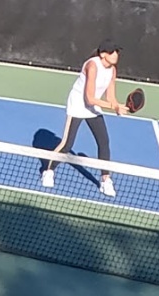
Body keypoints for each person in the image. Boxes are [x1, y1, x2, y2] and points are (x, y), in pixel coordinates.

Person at [42, 40, 125, 197]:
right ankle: (49, 170)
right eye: (112, 51)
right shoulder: (92, 66)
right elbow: (89, 98)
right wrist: (112, 106)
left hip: (93, 107)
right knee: (67, 144)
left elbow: (111, 96)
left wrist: (118, 106)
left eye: (117, 51)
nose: (116, 55)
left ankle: (105, 180)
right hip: (78, 105)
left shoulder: (112, 70)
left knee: (104, 142)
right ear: (103, 54)